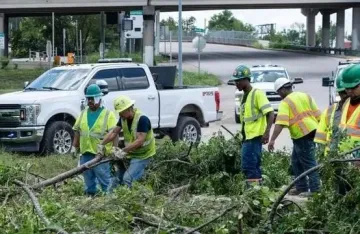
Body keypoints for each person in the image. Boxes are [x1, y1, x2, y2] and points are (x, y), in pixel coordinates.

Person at [268, 78, 321, 197]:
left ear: (282, 90)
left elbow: (280, 123)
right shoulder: (305, 96)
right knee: (296, 162)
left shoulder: (285, 102)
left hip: (302, 134)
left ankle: (315, 190)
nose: (279, 95)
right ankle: (301, 187)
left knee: (309, 162)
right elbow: (318, 115)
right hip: (312, 131)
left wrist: (272, 140)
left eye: (278, 92)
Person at [230, 65, 275, 187]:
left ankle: (253, 193)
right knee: (253, 166)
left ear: (246, 79)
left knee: (249, 166)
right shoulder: (245, 96)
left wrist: (267, 133)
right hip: (248, 138)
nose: (236, 83)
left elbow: (271, 113)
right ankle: (258, 192)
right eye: (235, 81)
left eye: (238, 80)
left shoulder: (257, 94)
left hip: (254, 137)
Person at [99, 95, 155, 189]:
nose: (119, 115)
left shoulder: (142, 119)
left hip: (143, 155)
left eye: (121, 112)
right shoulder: (123, 118)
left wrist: (123, 151)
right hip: (131, 153)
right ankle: (114, 199)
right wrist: (101, 144)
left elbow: (140, 141)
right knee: (118, 178)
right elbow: (113, 132)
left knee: (127, 179)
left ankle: (130, 200)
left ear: (128, 109)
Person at [71, 84, 117, 196]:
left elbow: (114, 134)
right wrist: (74, 147)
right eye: (88, 99)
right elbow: (77, 131)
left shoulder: (108, 114)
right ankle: (91, 197)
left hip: (100, 154)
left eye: (92, 99)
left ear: (98, 98)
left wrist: (114, 149)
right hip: (86, 152)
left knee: (104, 178)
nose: (90, 101)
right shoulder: (83, 114)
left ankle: (109, 198)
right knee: (88, 178)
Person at [314, 72, 349, 156]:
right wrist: (322, 158)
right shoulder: (329, 112)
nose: (345, 95)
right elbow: (320, 138)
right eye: (342, 93)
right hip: (333, 158)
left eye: (347, 92)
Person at [338, 64, 360, 163]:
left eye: (353, 88)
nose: (349, 91)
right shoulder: (346, 103)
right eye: (347, 88)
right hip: (347, 157)